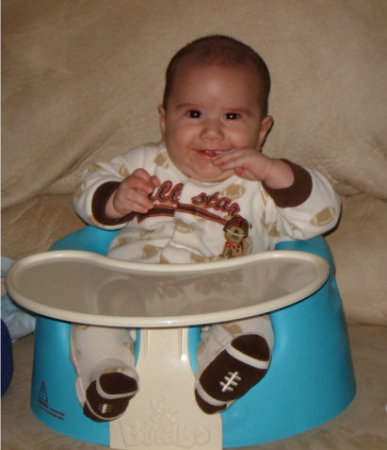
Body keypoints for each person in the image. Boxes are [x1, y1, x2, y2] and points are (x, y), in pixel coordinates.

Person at [72, 35, 340, 422]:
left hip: (226, 289)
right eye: (194, 114)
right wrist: (114, 199)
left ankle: (223, 371)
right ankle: (109, 375)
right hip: (130, 282)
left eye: (232, 117)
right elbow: (86, 184)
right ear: (165, 120)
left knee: (251, 321)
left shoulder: (263, 186)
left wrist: (276, 172)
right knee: (90, 313)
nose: (212, 133)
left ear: (261, 131)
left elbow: (322, 215)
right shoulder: (143, 162)